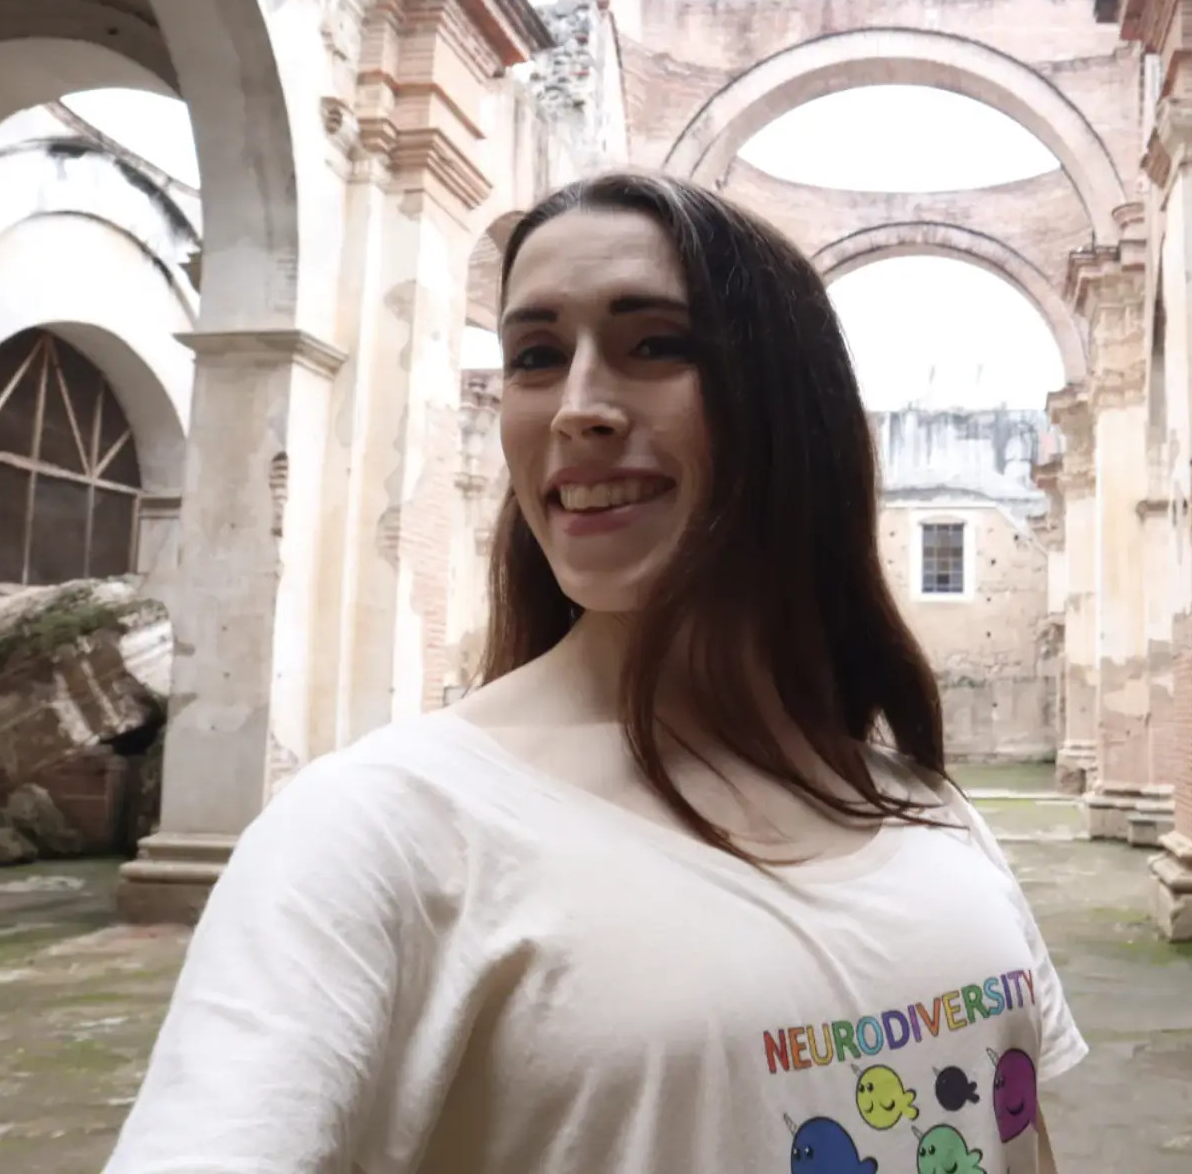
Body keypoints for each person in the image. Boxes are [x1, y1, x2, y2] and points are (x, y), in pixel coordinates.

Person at [104, 171, 1086, 1174]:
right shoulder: (378, 831)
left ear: (795, 403)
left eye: (653, 343)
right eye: (535, 355)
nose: (577, 408)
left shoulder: (927, 811)